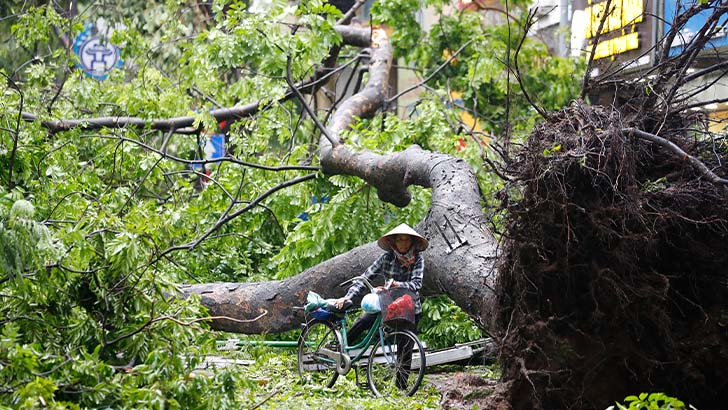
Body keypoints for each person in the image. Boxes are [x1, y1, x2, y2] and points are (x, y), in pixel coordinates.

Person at [333, 223, 428, 389]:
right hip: (387, 303)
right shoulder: (387, 258)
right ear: (394, 242)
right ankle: (338, 349)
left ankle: (401, 388)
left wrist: (397, 284)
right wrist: (348, 297)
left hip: (409, 306)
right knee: (363, 321)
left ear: (412, 242)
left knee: (405, 346)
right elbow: (366, 277)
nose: (403, 243)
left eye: (406, 240)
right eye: (400, 240)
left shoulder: (418, 259)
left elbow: (417, 284)